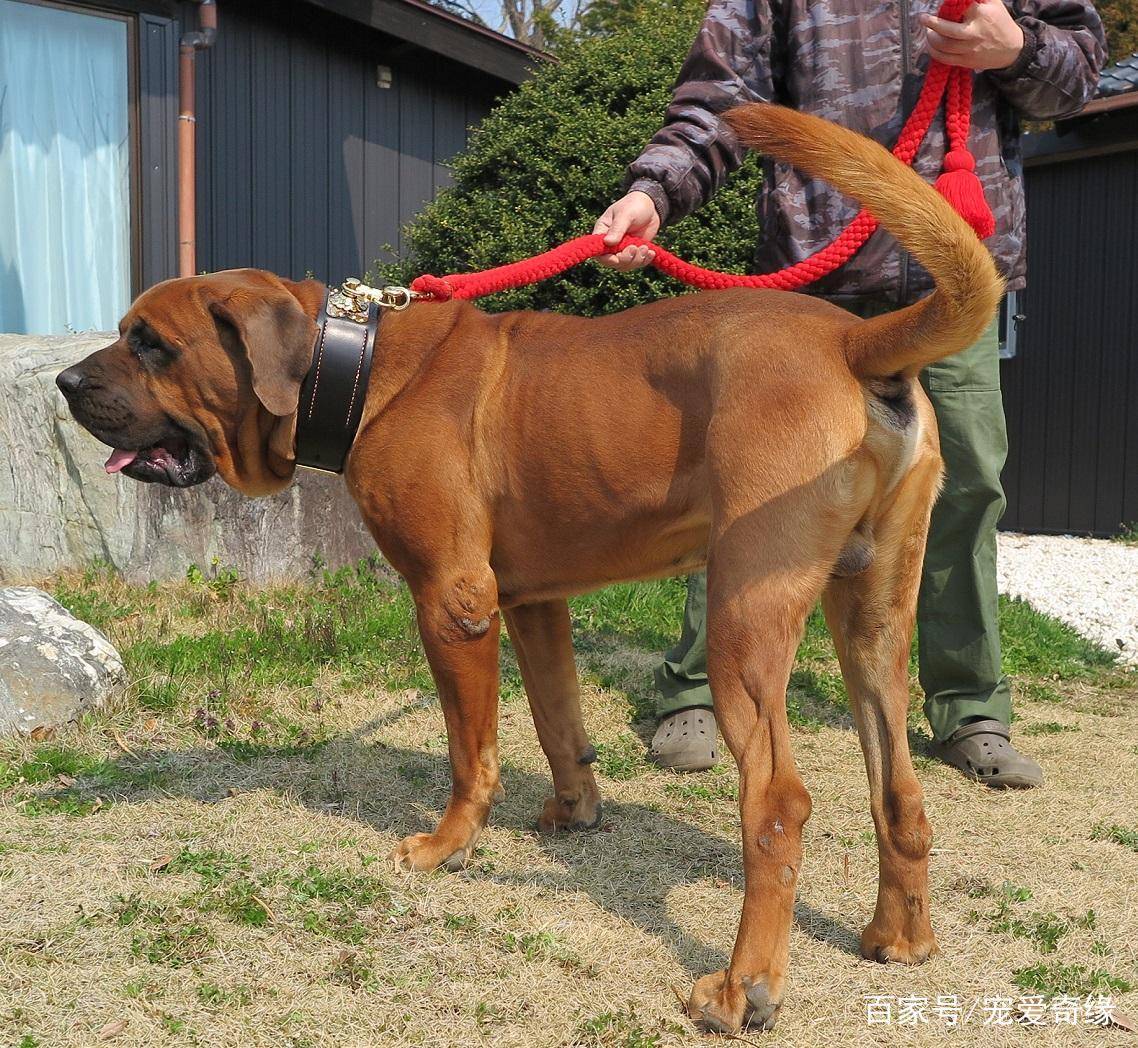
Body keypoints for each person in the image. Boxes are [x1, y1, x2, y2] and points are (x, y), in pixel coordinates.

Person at [594, 0, 1106, 786]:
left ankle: (969, 707)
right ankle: (697, 687)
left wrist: (1016, 49)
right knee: (752, 489)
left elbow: (1074, 82)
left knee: (965, 485)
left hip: (952, 285)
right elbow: (723, 97)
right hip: (813, 284)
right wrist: (655, 192)